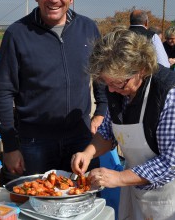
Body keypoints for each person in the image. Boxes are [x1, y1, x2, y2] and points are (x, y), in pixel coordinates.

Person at [0, 0, 107, 177]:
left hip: (80, 138)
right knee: (36, 202)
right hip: (35, 143)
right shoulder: (17, 34)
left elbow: (101, 74)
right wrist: (10, 147)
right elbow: (3, 93)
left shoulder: (87, 28)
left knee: (85, 199)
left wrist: (101, 110)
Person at [71, 27, 175, 220]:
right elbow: (108, 132)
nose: (111, 89)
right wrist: (88, 152)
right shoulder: (119, 91)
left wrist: (118, 177)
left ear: (141, 69)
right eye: (106, 83)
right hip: (133, 188)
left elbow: (170, 163)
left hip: (166, 198)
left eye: (118, 83)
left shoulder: (168, 95)